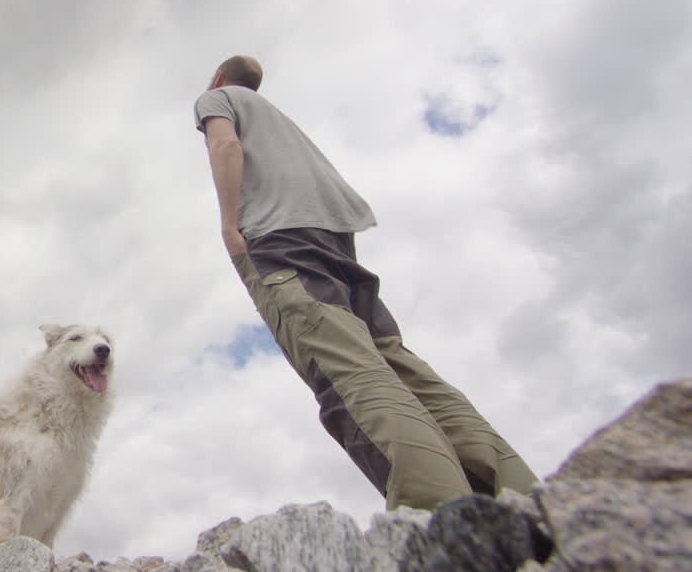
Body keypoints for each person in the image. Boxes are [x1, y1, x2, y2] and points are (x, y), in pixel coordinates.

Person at [193, 54, 539, 511]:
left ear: (220, 78)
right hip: (337, 240)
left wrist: (229, 225)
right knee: (398, 364)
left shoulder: (215, 98)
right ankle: (522, 499)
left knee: (348, 373)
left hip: (281, 242)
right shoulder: (281, 122)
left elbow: (226, 147)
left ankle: (440, 513)